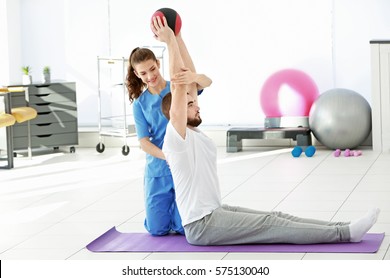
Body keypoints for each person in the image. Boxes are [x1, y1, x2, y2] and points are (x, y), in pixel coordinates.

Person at [160, 19, 380, 245]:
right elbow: (177, 86)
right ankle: (345, 235)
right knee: (271, 225)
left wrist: (178, 37)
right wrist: (169, 43)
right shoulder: (176, 138)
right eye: (189, 104)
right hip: (202, 225)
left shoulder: (192, 130)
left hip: (213, 212)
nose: (196, 103)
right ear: (176, 113)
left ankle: (344, 228)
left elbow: (188, 79)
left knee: (276, 218)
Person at [125, 16, 212, 236]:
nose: (150, 76)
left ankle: (178, 216)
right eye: (143, 73)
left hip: (184, 163)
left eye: (152, 69)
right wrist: (168, 156)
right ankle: (163, 214)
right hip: (159, 167)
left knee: (184, 228)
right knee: (157, 230)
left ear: (159, 64)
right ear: (137, 74)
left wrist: (176, 38)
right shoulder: (140, 104)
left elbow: (195, 77)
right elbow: (144, 142)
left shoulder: (177, 89)